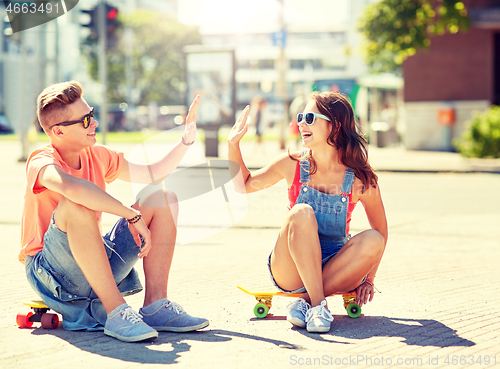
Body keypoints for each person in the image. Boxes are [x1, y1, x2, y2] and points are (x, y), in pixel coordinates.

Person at [20, 81, 209, 342]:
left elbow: (153, 172)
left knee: (161, 197)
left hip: (94, 265)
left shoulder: (97, 155)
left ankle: (155, 305)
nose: (94, 123)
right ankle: (116, 312)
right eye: (85, 120)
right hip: (52, 274)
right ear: (58, 132)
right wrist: (130, 214)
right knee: (76, 204)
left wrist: (186, 139)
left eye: (92, 114)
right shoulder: (41, 160)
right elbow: (72, 188)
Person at [228, 92, 388, 333]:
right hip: (290, 269)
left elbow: (381, 231)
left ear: (335, 126)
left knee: (374, 239)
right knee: (301, 212)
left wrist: (369, 279)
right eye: (301, 116)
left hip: (336, 266)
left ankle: (305, 302)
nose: (301, 123)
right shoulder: (291, 163)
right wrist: (233, 144)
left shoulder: (359, 178)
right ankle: (318, 305)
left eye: (310, 117)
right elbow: (244, 185)